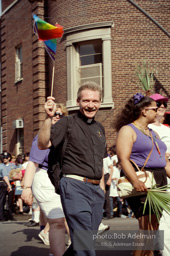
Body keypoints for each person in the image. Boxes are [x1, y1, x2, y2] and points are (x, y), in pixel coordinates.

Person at [38, 81, 107, 256]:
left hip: (96, 189)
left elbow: (100, 160)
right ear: (78, 101)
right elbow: (43, 144)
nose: (90, 105)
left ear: (100, 102)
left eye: (95, 101)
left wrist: (102, 188)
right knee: (85, 243)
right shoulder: (67, 122)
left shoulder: (100, 128)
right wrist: (48, 117)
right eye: (86, 101)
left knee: (83, 241)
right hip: (74, 186)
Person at [115, 92, 170, 256]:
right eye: (155, 108)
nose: (159, 110)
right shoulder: (128, 130)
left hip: (160, 179)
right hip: (144, 180)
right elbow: (123, 159)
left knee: (153, 227)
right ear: (144, 111)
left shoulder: (153, 133)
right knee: (146, 227)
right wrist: (134, 181)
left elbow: (164, 162)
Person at [22, 103, 68, 256]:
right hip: (45, 180)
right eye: (54, 113)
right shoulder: (43, 137)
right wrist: (26, 188)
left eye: (60, 114)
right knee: (58, 222)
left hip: (62, 180)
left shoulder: (65, 135)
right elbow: (33, 162)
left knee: (64, 220)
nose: (57, 116)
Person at [148, 94, 170, 256]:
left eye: (164, 103)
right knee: (161, 219)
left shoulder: (167, 130)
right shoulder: (147, 130)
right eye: (158, 104)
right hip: (159, 176)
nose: (162, 106)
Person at [1, 152, 16, 221]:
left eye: (6, 157)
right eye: (3, 157)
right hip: (3, 183)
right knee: (2, 200)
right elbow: (4, 176)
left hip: (11, 182)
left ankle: (10, 215)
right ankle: (2, 215)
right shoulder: (1, 165)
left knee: (10, 201)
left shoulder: (13, 166)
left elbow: (15, 174)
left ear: (9, 158)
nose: (4, 159)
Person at [103, 154, 113, 219]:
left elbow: (111, 168)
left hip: (106, 176)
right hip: (99, 176)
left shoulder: (106, 158)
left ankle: (108, 214)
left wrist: (109, 179)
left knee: (106, 197)